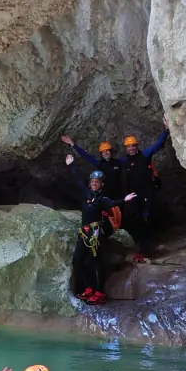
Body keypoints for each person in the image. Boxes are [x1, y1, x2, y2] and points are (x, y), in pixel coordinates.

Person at [64, 153, 136, 304]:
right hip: (84, 233)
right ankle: (87, 289)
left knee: (96, 263)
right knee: (77, 261)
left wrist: (125, 200)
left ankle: (99, 292)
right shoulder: (87, 194)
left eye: (97, 182)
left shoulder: (103, 199)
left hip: (96, 234)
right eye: (93, 181)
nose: (94, 183)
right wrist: (71, 165)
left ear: (101, 184)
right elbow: (77, 181)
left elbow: (113, 203)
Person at [121, 116, 170, 261]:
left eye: (133, 146)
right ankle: (143, 246)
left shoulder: (144, 156)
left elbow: (157, 145)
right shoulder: (124, 161)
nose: (131, 148)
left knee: (146, 217)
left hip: (146, 193)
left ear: (136, 146)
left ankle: (147, 247)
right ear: (126, 148)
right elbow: (106, 165)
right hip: (134, 196)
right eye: (129, 146)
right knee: (137, 220)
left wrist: (166, 130)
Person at [60, 135, 123, 199]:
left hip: (119, 195)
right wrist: (72, 144)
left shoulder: (118, 162)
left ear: (111, 151)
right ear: (101, 154)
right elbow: (86, 155)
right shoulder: (100, 164)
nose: (105, 153)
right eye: (103, 151)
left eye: (107, 151)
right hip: (105, 196)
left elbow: (130, 159)